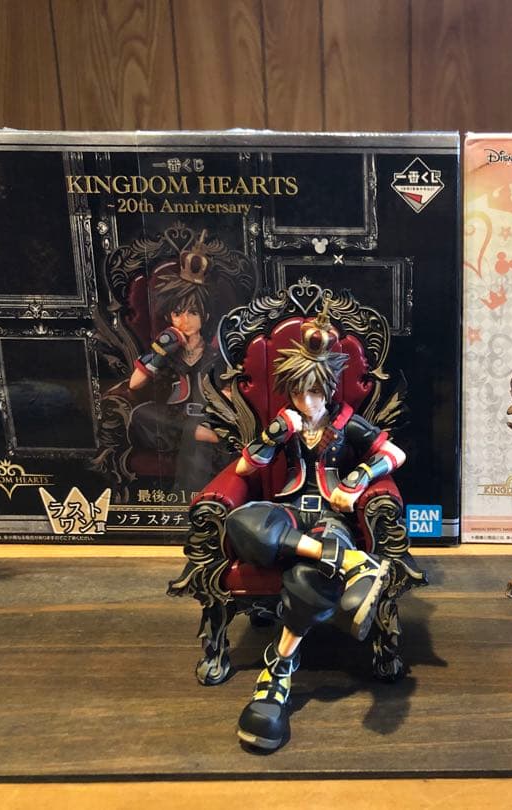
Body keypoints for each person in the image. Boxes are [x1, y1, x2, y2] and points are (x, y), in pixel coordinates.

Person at [222, 305, 405, 751]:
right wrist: (274, 433)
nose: (308, 403)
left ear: (328, 387)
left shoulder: (345, 422)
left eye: (315, 392)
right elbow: (245, 468)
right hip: (287, 510)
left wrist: (359, 479)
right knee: (242, 522)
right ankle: (355, 564)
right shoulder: (285, 422)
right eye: (299, 393)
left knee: (308, 577)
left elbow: (395, 454)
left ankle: (276, 676)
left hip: (329, 517)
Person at [128, 232, 228, 494]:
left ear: (205, 317)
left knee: (204, 433)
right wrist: (161, 349)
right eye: (177, 313)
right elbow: (135, 384)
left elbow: (230, 395)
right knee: (140, 415)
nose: (185, 320)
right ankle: (195, 433)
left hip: (207, 416)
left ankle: (189, 494)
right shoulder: (166, 348)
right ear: (169, 316)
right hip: (175, 417)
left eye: (193, 312)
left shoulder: (215, 354)